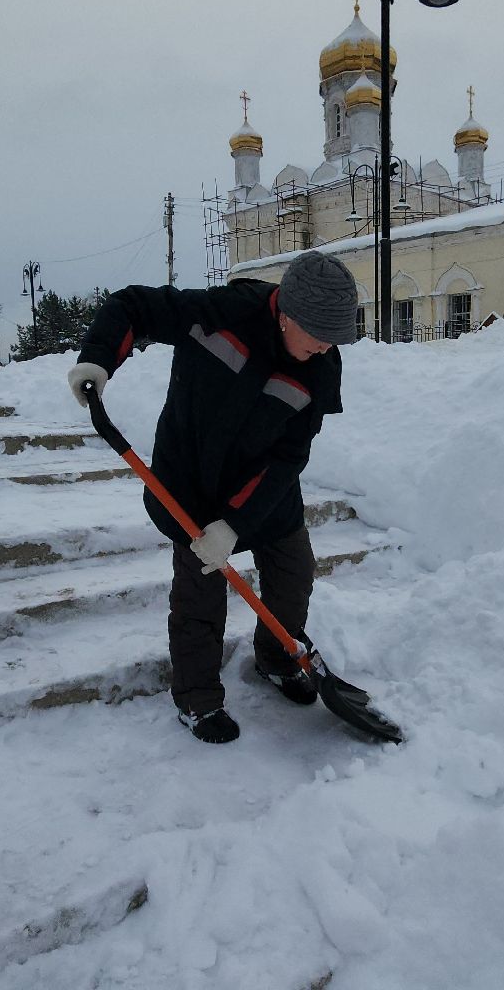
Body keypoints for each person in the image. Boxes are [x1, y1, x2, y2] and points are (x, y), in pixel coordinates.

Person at [67, 251, 357, 744]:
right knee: (200, 597)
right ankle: (197, 699)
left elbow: (289, 457)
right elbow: (133, 306)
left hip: (265, 491)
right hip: (192, 483)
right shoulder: (220, 312)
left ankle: (276, 658)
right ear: (287, 314)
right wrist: (97, 357)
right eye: (321, 335)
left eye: (335, 338)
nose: (328, 347)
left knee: (293, 576)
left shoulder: (320, 367)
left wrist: (237, 523)